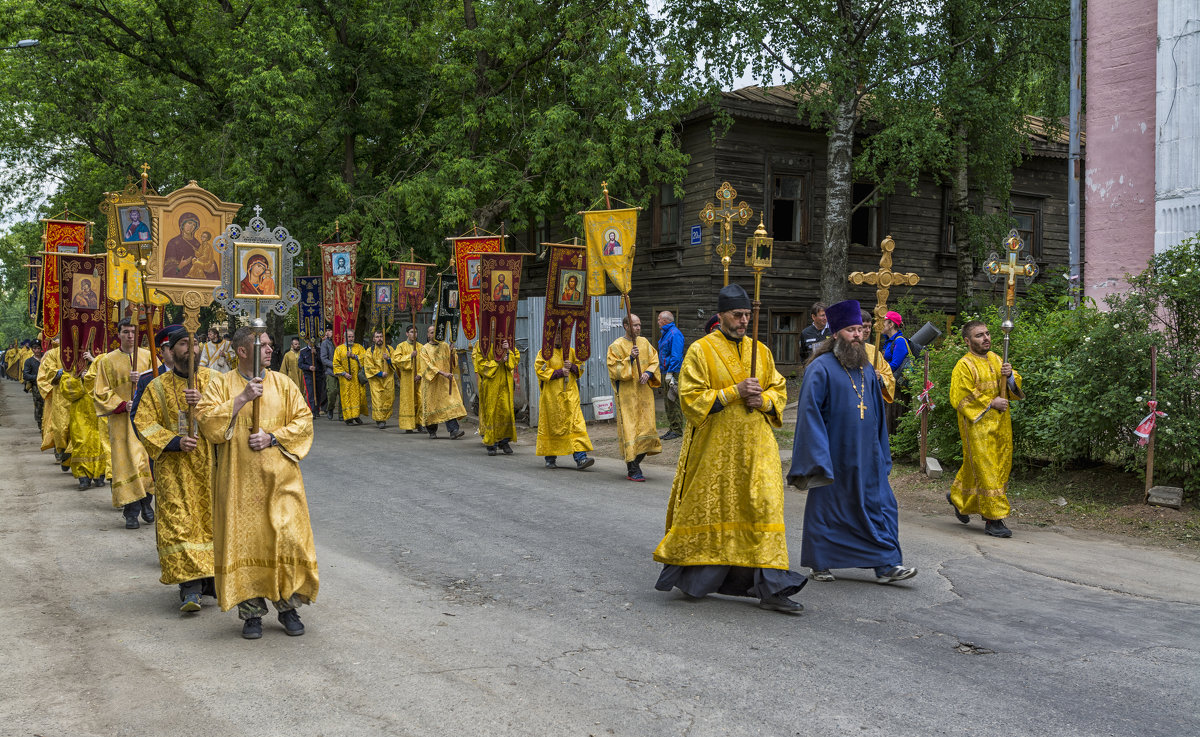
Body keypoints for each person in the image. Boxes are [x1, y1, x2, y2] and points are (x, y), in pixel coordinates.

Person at [654, 284, 806, 613]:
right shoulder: (701, 350)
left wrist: (763, 399)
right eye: (737, 315)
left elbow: (778, 389)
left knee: (765, 506)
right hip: (716, 449)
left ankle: (771, 588)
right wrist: (733, 391)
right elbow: (690, 398)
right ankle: (700, 579)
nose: (743, 321)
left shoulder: (760, 352)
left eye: (747, 315)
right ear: (721, 315)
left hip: (757, 447)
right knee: (715, 508)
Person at [197, 326, 318, 639]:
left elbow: (304, 421)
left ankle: (288, 606)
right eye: (262, 345)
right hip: (240, 482)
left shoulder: (283, 383)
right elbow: (207, 422)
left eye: (269, 345)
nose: (269, 350)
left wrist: (273, 437)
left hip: (281, 481)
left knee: (287, 538)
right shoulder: (221, 384)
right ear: (241, 350)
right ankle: (251, 614)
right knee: (247, 542)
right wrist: (241, 399)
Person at [787, 300, 918, 584]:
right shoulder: (820, 368)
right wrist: (817, 457)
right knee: (828, 510)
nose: (858, 335)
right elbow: (809, 415)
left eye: (860, 329)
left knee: (883, 505)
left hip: (867, 455)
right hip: (833, 455)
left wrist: (882, 452)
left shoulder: (867, 369)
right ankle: (821, 561)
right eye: (850, 330)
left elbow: (877, 416)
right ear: (835, 333)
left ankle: (887, 564)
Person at [134, 329, 216, 612]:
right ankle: (189, 589)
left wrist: (203, 404)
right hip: (174, 469)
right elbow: (143, 422)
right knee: (179, 525)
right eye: (183, 344)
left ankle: (210, 582)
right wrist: (174, 442)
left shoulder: (214, 381)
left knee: (211, 525)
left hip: (211, 465)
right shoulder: (156, 387)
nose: (190, 350)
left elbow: (232, 414)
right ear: (170, 349)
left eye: (194, 344)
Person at [948, 320, 1024, 538]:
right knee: (987, 467)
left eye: (987, 334)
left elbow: (1013, 385)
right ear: (967, 341)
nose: (986, 338)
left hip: (1001, 423)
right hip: (977, 425)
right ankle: (994, 519)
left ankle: (958, 497)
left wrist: (1009, 376)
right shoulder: (964, 364)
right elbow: (961, 395)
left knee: (996, 465)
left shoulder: (996, 358)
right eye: (979, 335)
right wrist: (991, 403)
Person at [92, 318, 156, 529]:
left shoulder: (147, 356)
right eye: (126, 332)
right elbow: (101, 392)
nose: (130, 336)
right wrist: (122, 404)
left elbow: (159, 384)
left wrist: (143, 380)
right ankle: (132, 511)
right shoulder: (107, 361)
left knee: (143, 462)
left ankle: (146, 502)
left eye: (133, 332)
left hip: (144, 419)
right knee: (126, 464)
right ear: (118, 334)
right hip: (121, 421)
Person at [606, 313, 661, 481]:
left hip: (644, 394)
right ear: (626, 326)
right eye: (635, 325)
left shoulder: (644, 342)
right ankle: (633, 469)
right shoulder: (616, 346)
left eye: (639, 325)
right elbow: (613, 370)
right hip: (628, 396)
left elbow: (654, 360)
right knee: (631, 430)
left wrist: (649, 373)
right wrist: (629, 359)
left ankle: (636, 462)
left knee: (648, 428)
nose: (638, 328)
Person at [534, 330, 594, 470]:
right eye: (556, 335)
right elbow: (540, 370)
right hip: (552, 398)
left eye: (561, 335)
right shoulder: (544, 353)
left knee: (576, 424)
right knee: (552, 426)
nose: (559, 337)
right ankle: (550, 458)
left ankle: (581, 458)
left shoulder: (572, 352)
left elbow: (581, 366)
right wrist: (559, 372)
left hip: (571, 396)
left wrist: (572, 366)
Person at [61, 351, 109, 490]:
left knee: (101, 442)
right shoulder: (71, 365)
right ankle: (83, 477)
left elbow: (110, 380)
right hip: (80, 411)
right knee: (81, 442)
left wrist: (94, 364)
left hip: (100, 409)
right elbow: (67, 390)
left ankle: (100, 474)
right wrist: (80, 379)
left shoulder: (103, 359)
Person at [472, 338, 520, 455]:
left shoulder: (506, 341)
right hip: (491, 384)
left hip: (505, 383)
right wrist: (497, 362)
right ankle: (491, 443)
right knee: (491, 412)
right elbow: (480, 364)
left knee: (506, 412)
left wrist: (508, 350)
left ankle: (504, 441)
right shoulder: (483, 343)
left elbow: (515, 359)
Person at [419, 325, 466, 439]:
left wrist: (452, 352)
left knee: (449, 404)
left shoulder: (445, 346)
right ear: (427, 335)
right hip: (432, 384)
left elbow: (453, 363)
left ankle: (454, 430)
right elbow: (427, 366)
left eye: (435, 332)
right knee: (432, 406)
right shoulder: (424, 349)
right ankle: (432, 431)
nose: (433, 334)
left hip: (445, 382)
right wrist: (442, 373)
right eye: (431, 332)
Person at [37, 337, 72, 470]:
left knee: (76, 428)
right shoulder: (51, 354)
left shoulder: (82, 351)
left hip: (78, 396)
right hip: (57, 397)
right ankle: (62, 452)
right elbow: (43, 378)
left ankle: (72, 459)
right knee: (59, 428)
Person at [880, 310, 911, 434]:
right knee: (889, 414)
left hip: (898, 386)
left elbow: (895, 364)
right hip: (889, 383)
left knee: (896, 415)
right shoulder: (889, 341)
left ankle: (899, 449)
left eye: (883, 322)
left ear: (891, 324)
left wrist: (881, 372)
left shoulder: (899, 341)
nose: (880, 325)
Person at [656, 311, 685, 440]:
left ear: (665, 321)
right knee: (668, 401)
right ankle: (672, 427)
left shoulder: (674, 334)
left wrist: (671, 372)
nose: (657, 322)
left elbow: (676, 355)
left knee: (673, 399)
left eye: (659, 319)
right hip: (666, 371)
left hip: (673, 372)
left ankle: (677, 429)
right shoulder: (666, 333)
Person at [389, 324, 423, 433]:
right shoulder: (401, 346)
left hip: (419, 379)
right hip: (407, 378)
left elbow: (425, 363)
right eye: (412, 332)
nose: (414, 334)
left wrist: (420, 374)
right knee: (408, 401)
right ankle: (408, 425)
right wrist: (410, 356)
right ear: (407, 334)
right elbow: (396, 360)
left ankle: (420, 423)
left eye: (415, 332)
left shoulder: (421, 347)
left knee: (420, 400)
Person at [332, 328, 367, 425]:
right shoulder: (339, 349)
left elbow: (365, 358)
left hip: (356, 378)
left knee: (359, 396)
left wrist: (354, 356)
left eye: (352, 336)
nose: (351, 338)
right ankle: (348, 418)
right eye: (349, 337)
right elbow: (335, 364)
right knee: (347, 397)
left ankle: (356, 416)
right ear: (345, 337)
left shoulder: (359, 347)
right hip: (345, 378)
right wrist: (344, 373)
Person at [363, 330, 395, 429]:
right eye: (377, 337)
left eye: (381, 336)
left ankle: (384, 417)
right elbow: (368, 366)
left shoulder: (389, 349)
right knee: (378, 399)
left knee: (389, 398)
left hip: (388, 378)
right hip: (376, 380)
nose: (379, 339)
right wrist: (380, 373)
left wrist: (389, 360)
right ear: (373, 339)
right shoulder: (370, 351)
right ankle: (380, 420)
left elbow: (396, 362)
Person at [163, 212, 205, 278]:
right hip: (179, 280)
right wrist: (180, 266)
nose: (191, 227)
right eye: (189, 223)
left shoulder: (197, 244)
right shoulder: (173, 243)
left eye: (194, 225)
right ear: (182, 224)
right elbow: (167, 271)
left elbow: (204, 261)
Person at [296, 337, 322, 412]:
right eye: (310, 341)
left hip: (318, 374)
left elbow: (322, 361)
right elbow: (300, 364)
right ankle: (312, 410)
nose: (312, 342)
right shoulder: (303, 351)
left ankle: (317, 409)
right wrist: (308, 367)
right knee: (310, 392)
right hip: (309, 375)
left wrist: (316, 354)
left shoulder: (319, 350)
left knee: (318, 392)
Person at [319, 324, 339, 420]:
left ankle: (342, 414)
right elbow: (324, 359)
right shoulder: (325, 343)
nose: (327, 332)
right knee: (332, 392)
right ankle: (330, 408)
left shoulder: (340, 342)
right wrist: (335, 365)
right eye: (327, 330)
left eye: (330, 330)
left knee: (342, 393)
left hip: (343, 372)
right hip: (331, 371)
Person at [23, 342, 43, 430]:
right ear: (32, 349)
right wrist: (37, 377)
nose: (37, 351)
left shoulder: (46, 358)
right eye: (35, 349)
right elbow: (26, 375)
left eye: (38, 348)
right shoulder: (29, 361)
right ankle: (40, 424)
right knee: (39, 405)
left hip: (48, 385)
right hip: (36, 386)